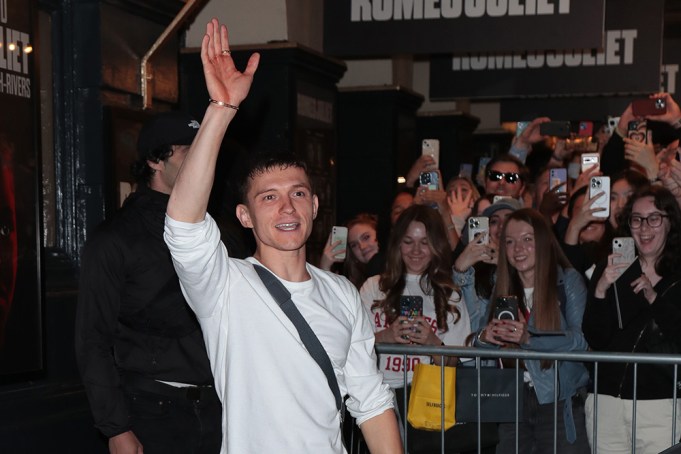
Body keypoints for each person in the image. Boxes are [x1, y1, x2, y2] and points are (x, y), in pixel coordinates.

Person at [163, 19, 401, 453]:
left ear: (313, 207)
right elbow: (182, 221)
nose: (286, 207)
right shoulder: (224, 286)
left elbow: (371, 402)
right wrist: (222, 110)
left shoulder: (343, 294)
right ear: (245, 216)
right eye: (268, 197)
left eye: (297, 194)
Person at [75, 111, 222, 454]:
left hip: (219, 405)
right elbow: (92, 338)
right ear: (156, 161)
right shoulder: (115, 239)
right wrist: (116, 428)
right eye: (190, 151)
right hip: (152, 411)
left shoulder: (217, 231)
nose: (203, 160)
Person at [360, 205, 497, 454]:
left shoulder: (448, 292)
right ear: (397, 244)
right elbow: (355, 347)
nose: (415, 251)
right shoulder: (373, 287)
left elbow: (455, 360)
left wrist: (433, 343)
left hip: (428, 397)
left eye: (424, 242)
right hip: (379, 396)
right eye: (408, 241)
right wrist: (386, 337)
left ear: (436, 245)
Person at [476, 208, 590, 454]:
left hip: (559, 401)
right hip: (511, 399)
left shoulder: (567, 281)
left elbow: (581, 342)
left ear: (544, 242)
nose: (518, 248)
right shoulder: (501, 283)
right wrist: (485, 338)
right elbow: (479, 343)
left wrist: (530, 338)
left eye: (528, 239)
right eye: (510, 241)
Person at [583, 186, 681, 454]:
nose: (644, 227)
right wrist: (601, 289)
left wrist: (653, 297)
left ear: (670, 222)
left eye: (654, 218)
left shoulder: (677, 274)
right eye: (636, 219)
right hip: (606, 401)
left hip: (660, 402)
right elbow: (595, 337)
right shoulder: (612, 266)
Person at [320, 213, 383, 288]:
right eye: (354, 245)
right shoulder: (355, 286)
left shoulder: (398, 271)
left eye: (366, 237)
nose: (362, 247)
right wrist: (325, 268)